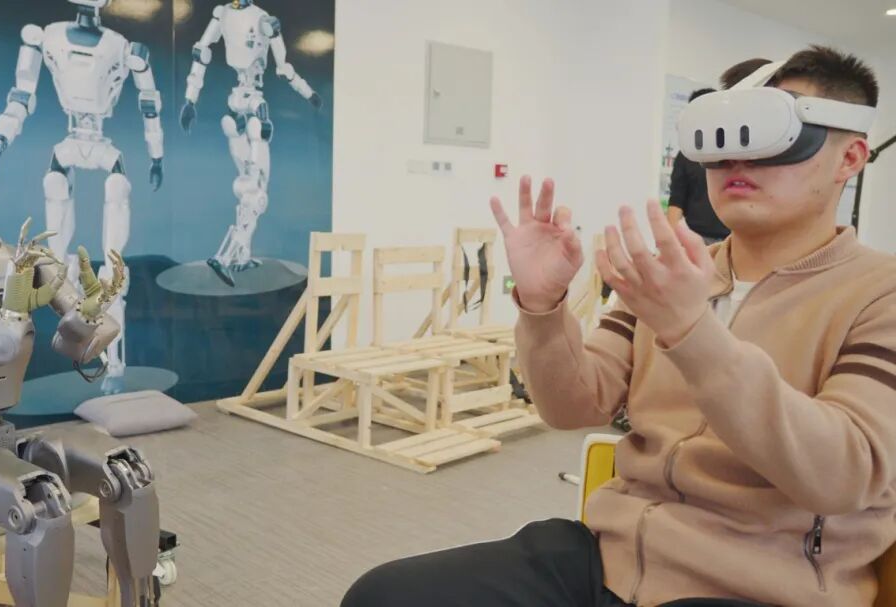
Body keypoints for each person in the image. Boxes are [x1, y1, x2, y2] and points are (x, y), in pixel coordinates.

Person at [341, 45, 896, 607]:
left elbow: (843, 475)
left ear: (850, 158)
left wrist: (693, 333)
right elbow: (572, 407)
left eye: (771, 137)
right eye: (722, 142)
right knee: (385, 596)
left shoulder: (881, 294)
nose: (737, 161)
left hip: (764, 584)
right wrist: (542, 307)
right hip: (610, 555)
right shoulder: (666, 277)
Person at [668, 88, 730, 245]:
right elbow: (676, 200)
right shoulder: (686, 155)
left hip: (733, 238)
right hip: (697, 239)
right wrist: (668, 241)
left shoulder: (735, 152)